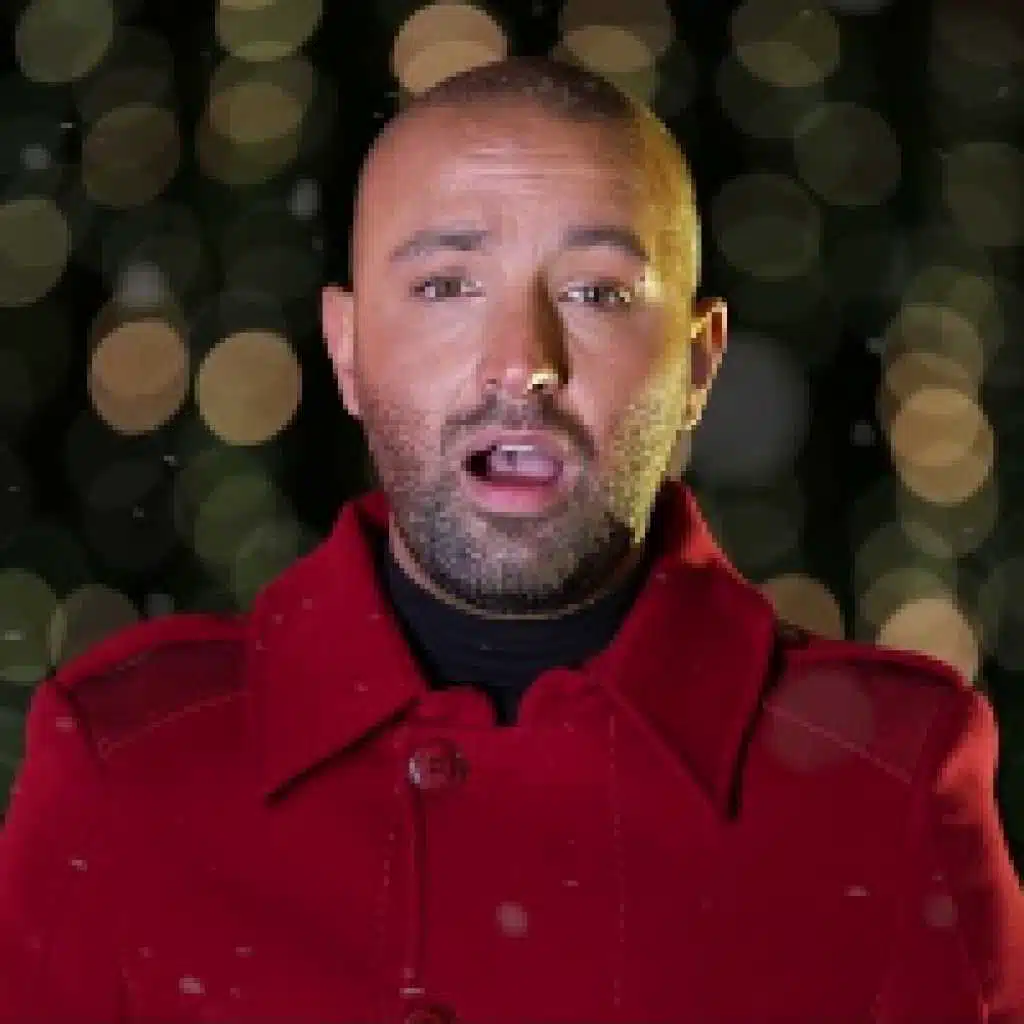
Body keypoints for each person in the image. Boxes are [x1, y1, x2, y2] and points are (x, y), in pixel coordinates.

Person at [1, 55, 1021, 1024]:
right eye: (447, 285)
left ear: (698, 366)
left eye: (595, 293)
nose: (521, 361)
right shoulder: (128, 762)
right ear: (347, 352)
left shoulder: (887, 779)